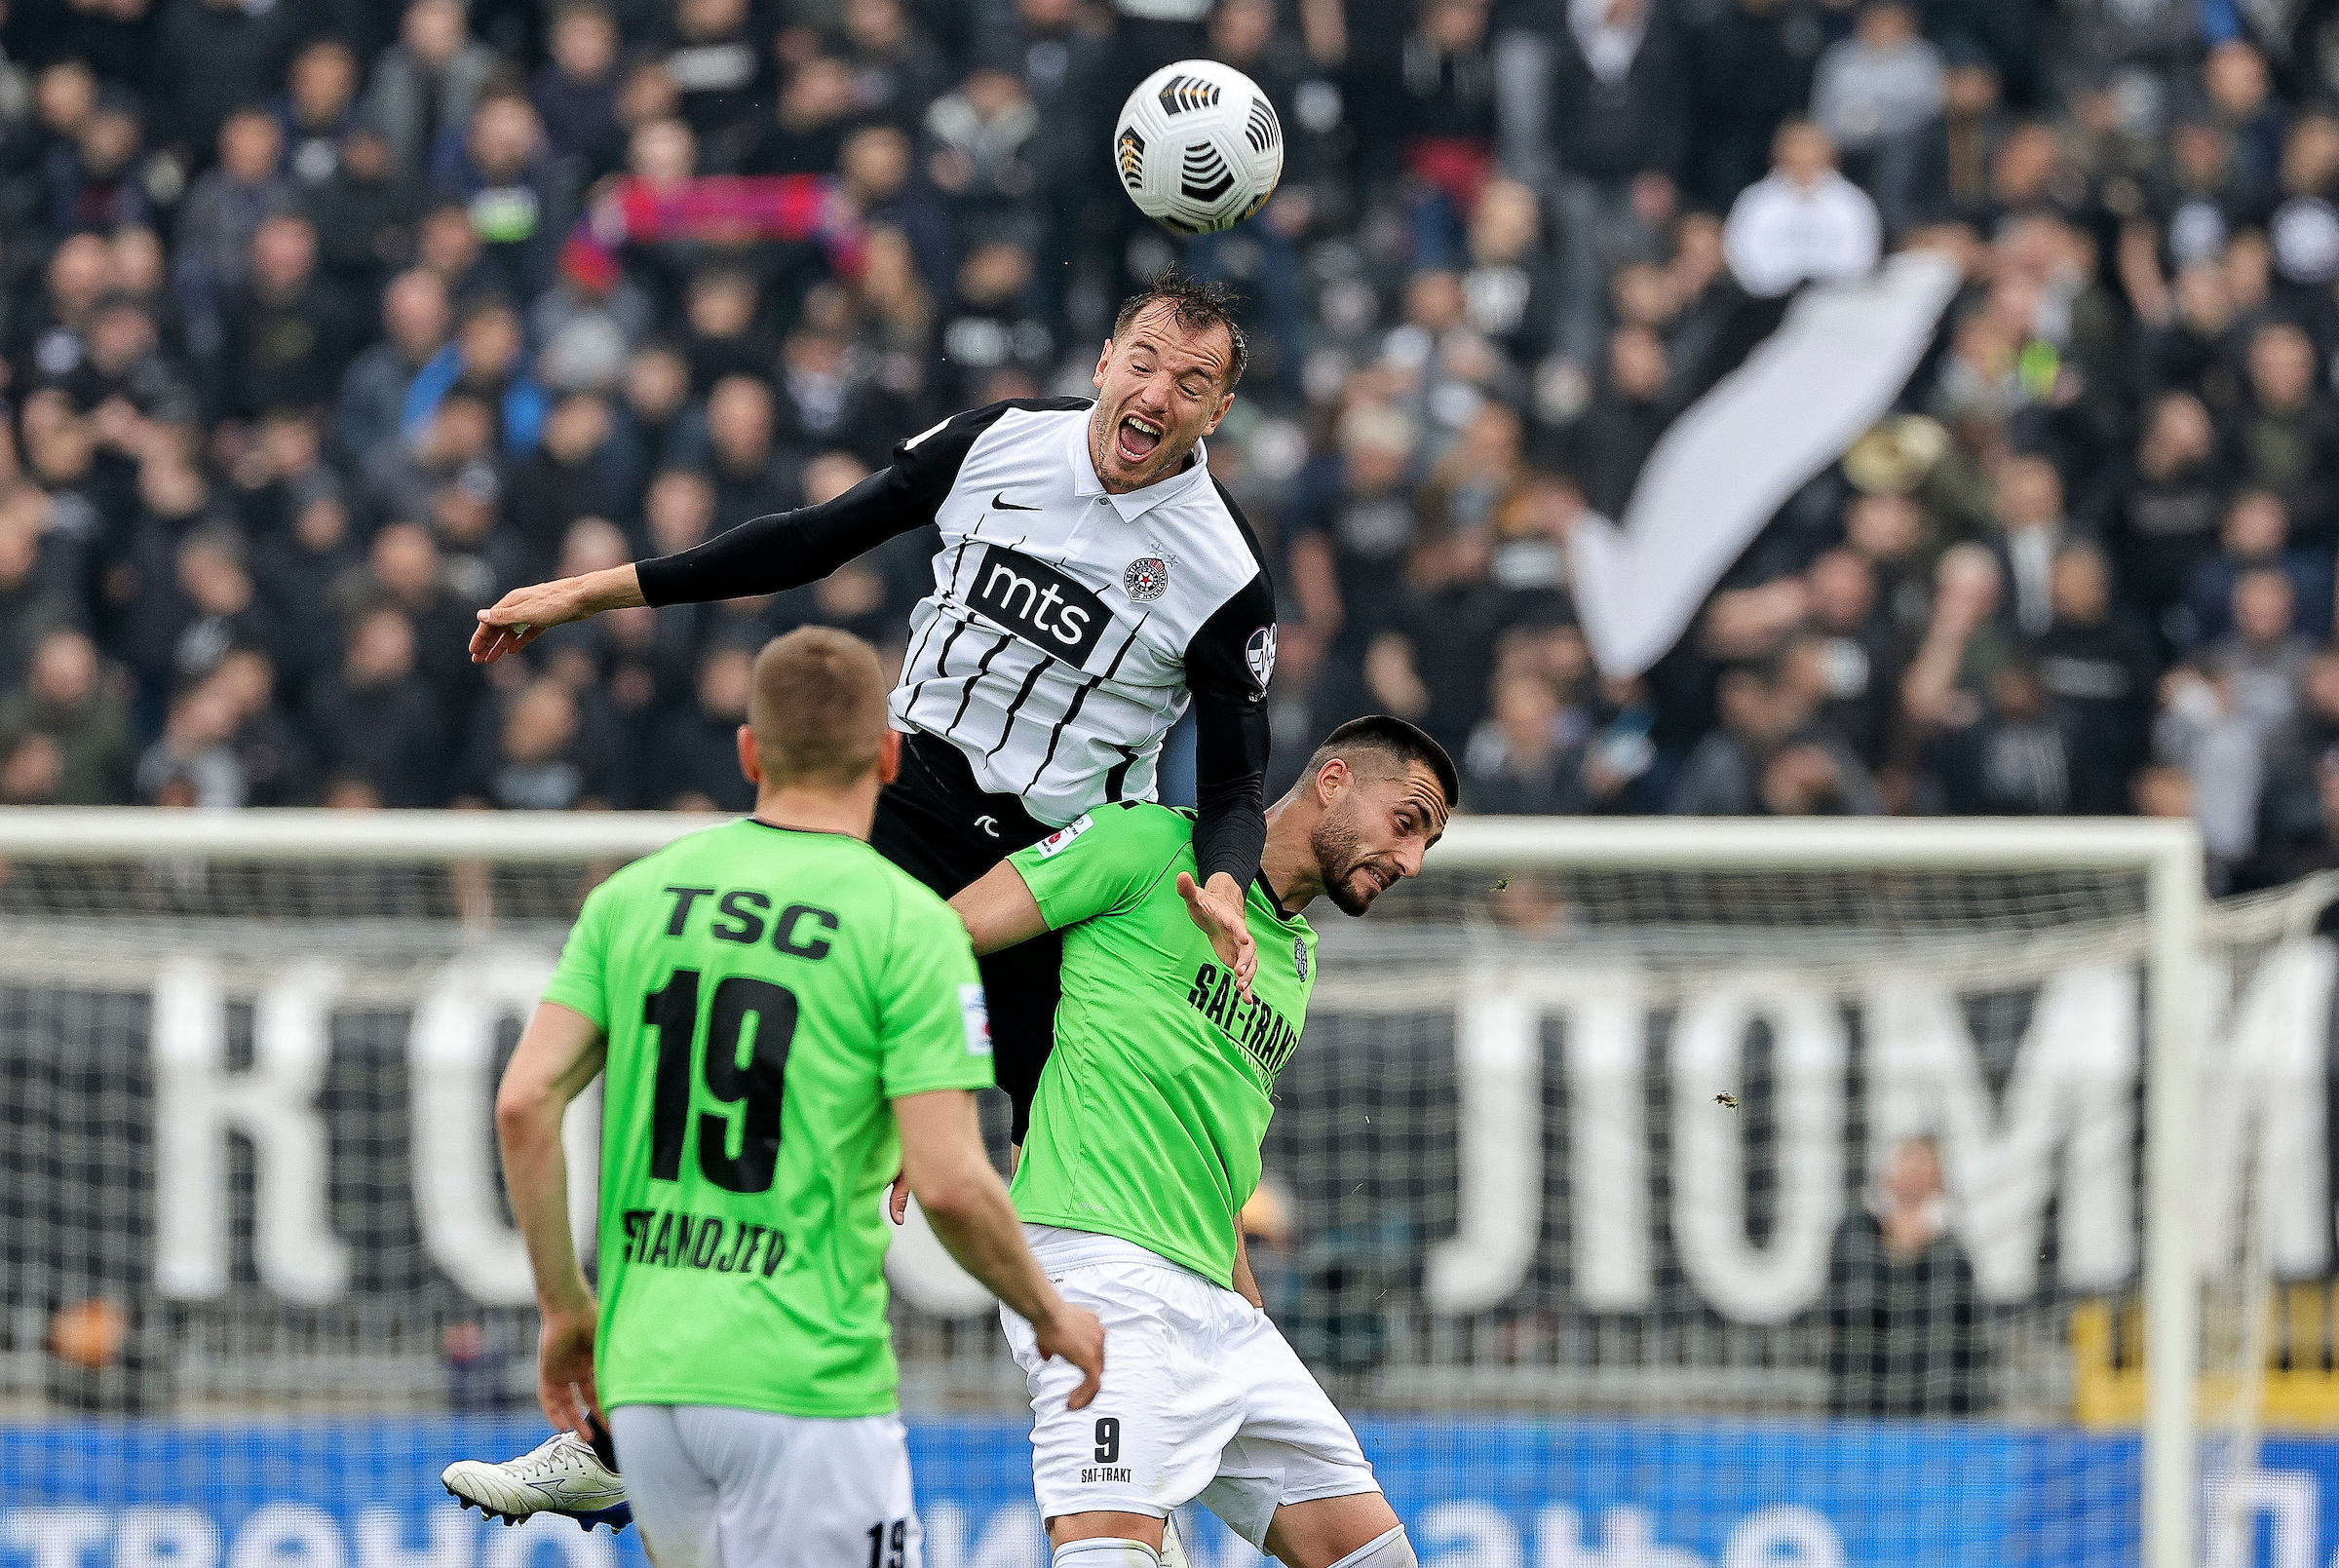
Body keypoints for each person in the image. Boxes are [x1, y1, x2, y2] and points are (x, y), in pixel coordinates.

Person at [466, 271, 1281, 1147]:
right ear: (1104, 360)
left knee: (1063, 1143)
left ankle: (1154, 1289)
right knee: (777, 1052)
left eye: (1190, 385)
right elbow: (810, 539)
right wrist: (590, 594)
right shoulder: (998, 441)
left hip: (1057, 866)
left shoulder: (1225, 575)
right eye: (1144, 364)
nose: (1157, 394)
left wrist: (1226, 880)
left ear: (1218, 411)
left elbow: (1237, 784)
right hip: (906, 799)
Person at [441, 628, 1104, 1562]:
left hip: (645, 1390)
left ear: (750, 751)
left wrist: (563, 1308)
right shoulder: (905, 923)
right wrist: (1051, 1314)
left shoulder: (636, 896)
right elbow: (952, 1182)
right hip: (803, 1383)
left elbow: (523, 1103)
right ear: (887, 753)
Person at [945, 715, 1457, 1568]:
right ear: (1333, 782)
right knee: (1106, 1554)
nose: (1409, 861)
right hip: (1098, 1270)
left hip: (1217, 1301)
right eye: (1407, 822)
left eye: (1427, 845)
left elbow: (1214, 1152)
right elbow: (939, 936)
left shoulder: (1293, 956)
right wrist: (899, 1099)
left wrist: (1247, 1307)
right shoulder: (1145, 844)